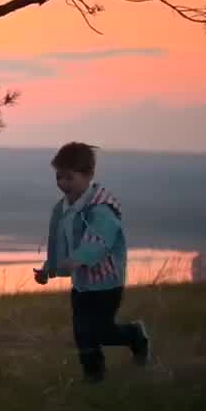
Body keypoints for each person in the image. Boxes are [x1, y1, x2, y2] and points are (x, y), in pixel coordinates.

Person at [34, 142, 150, 382]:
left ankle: (134, 335)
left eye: (69, 178)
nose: (63, 184)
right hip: (81, 285)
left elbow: (97, 243)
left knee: (101, 332)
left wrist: (76, 260)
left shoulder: (101, 209)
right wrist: (49, 269)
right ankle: (94, 378)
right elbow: (58, 244)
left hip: (106, 284)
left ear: (88, 175)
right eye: (59, 178)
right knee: (82, 334)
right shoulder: (62, 209)